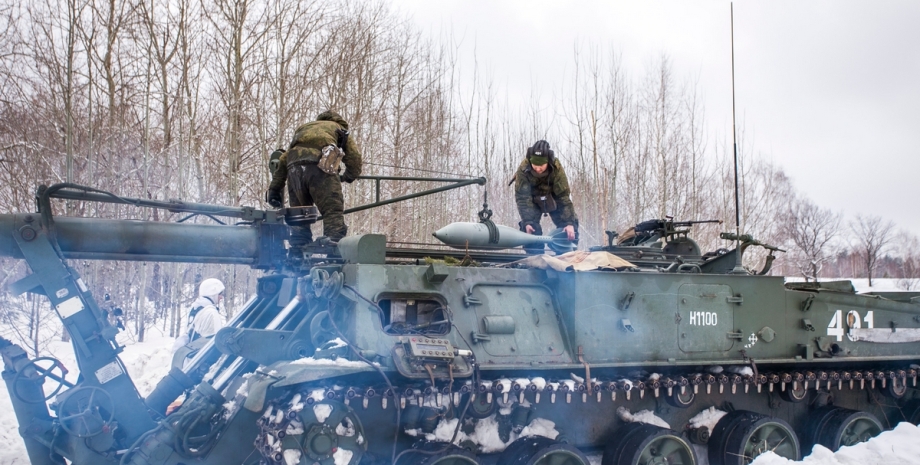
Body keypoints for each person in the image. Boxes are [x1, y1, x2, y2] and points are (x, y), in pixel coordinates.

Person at [266, 110, 363, 246]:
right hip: (320, 169)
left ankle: (298, 253)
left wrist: (275, 188)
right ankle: (333, 252)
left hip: (294, 170)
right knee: (332, 211)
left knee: (300, 216)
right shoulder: (339, 129)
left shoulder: (304, 130)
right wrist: (349, 176)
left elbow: (284, 158)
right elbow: (354, 158)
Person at [513, 140, 578, 254]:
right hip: (532, 200)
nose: (538, 169)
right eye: (535, 165)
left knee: (569, 228)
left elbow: (563, 196)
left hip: (553, 197)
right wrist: (528, 221)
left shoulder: (556, 168)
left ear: (547, 161)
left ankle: (567, 257)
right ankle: (536, 261)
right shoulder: (523, 169)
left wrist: (569, 223)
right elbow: (523, 198)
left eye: (541, 166)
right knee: (530, 229)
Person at [171, 278, 226, 366]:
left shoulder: (195, 308)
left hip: (190, 357)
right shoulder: (211, 313)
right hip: (202, 361)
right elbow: (215, 342)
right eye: (219, 294)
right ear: (213, 294)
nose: (221, 297)